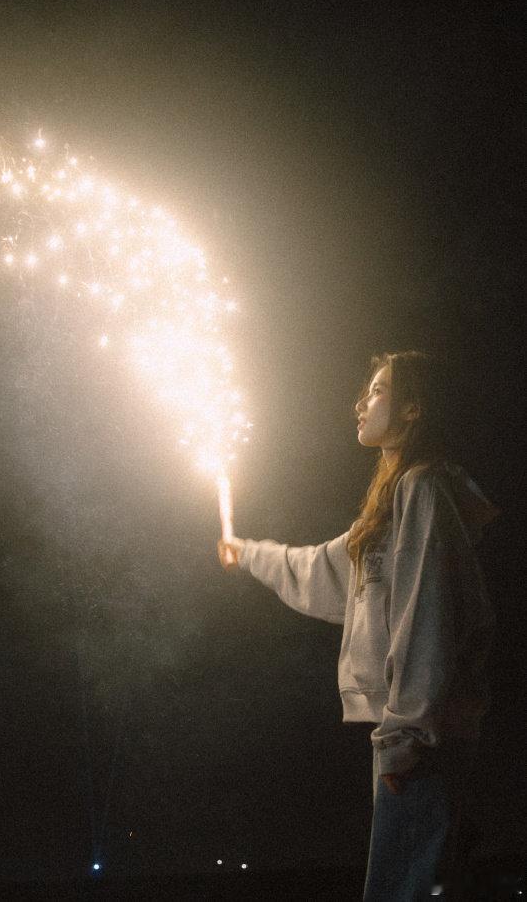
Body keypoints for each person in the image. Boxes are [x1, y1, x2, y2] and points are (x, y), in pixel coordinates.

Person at [218, 351, 498, 901]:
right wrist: (247, 553)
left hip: (421, 742)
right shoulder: (392, 506)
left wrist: (407, 738)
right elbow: (321, 569)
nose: (359, 403)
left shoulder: (423, 489)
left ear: (414, 408)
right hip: (410, 739)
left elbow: (429, 614)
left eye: (377, 390)